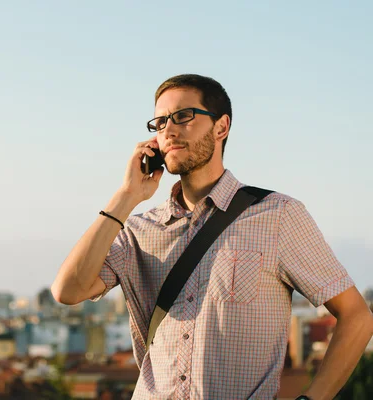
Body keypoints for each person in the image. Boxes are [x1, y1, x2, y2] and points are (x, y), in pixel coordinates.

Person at [51, 74, 373, 399]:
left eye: (183, 116)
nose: (169, 130)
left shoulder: (278, 215)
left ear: (221, 127)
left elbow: (357, 316)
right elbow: (68, 290)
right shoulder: (137, 231)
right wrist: (126, 195)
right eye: (160, 122)